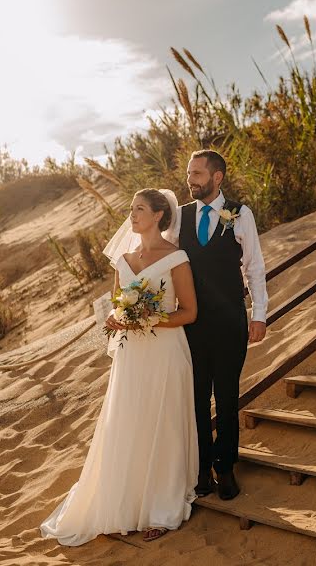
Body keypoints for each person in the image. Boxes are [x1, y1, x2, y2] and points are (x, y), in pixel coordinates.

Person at [40, 188, 198, 544]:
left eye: (139, 209)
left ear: (159, 215)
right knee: (129, 424)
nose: (132, 215)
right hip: (131, 357)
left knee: (164, 423)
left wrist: (147, 318)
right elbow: (115, 305)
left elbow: (189, 312)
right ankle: (125, 505)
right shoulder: (123, 260)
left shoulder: (176, 258)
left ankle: (161, 508)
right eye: (130, 209)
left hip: (166, 353)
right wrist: (118, 317)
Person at [171, 149, 268, 501]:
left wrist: (259, 315)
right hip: (190, 324)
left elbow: (254, 267)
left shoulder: (240, 214)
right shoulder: (178, 217)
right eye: (188, 173)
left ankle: (225, 468)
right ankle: (200, 471)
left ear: (217, 177)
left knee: (226, 397)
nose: (190, 180)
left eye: (196, 173)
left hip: (230, 322)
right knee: (195, 397)